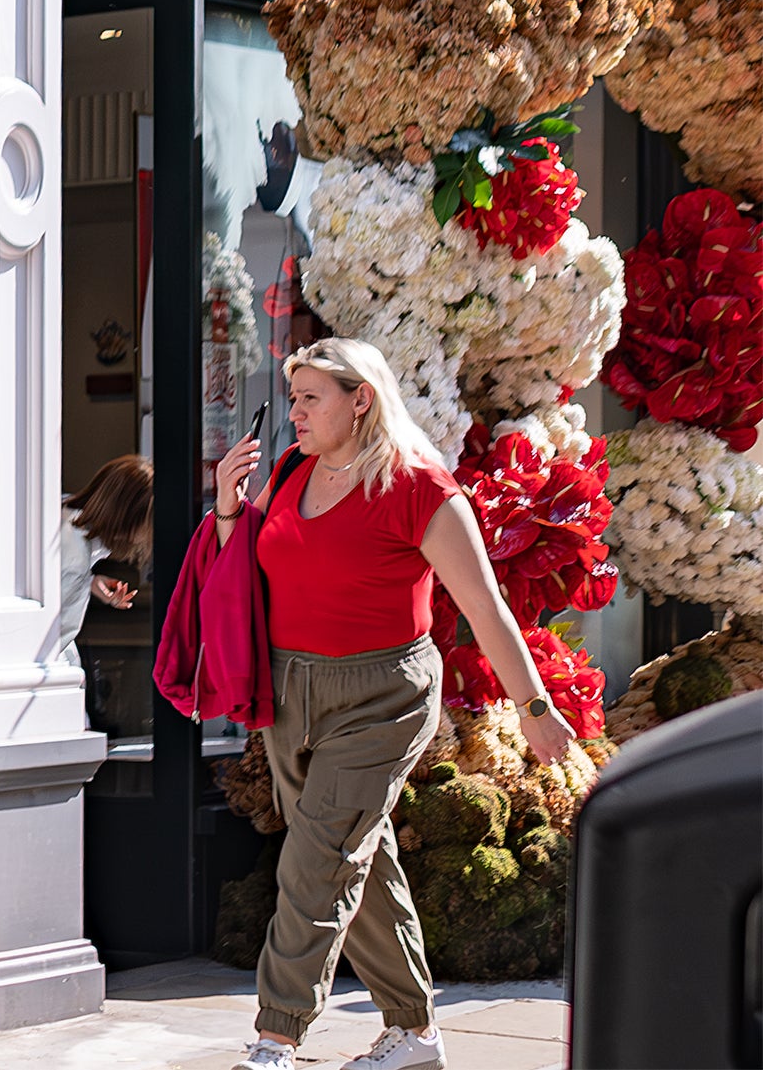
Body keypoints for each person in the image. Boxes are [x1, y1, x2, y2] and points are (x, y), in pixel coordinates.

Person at [214, 339, 574, 1070]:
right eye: (295, 397)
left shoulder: (420, 488)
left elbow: (486, 608)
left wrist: (535, 708)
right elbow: (242, 569)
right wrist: (227, 509)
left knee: (314, 863)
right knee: (357, 851)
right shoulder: (290, 473)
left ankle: (275, 1036)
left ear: (361, 399)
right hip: (291, 691)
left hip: (382, 694)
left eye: (312, 397)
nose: (296, 412)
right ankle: (414, 1032)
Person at [42, 453, 152, 675]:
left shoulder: (67, 519)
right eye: (148, 521)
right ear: (129, 516)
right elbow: (50, 636)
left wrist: (90, 582)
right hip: (50, 669)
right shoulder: (76, 557)